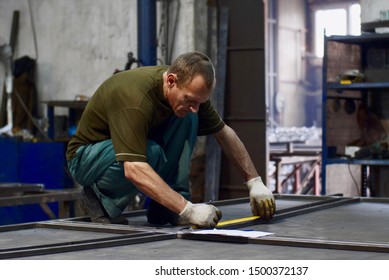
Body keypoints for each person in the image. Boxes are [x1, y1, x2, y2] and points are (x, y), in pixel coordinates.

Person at [66, 51, 276, 228]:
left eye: (200, 102)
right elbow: (133, 168)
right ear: (170, 81)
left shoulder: (188, 91)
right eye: (191, 100)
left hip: (123, 152)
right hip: (85, 157)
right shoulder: (134, 98)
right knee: (151, 152)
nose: (195, 107)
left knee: (188, 119)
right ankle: (98, 199)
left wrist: (254, 181)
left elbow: (223, 133)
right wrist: (187, 209)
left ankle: (165, 207)